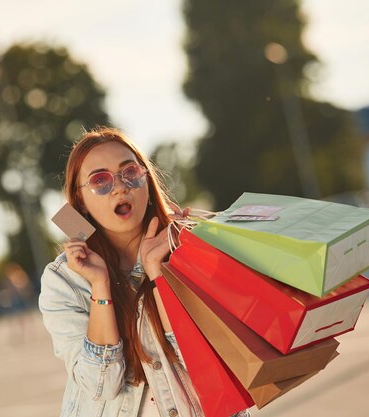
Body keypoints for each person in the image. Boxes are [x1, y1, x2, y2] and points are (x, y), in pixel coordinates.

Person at [39, 127, 250, 417]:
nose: (120, 187)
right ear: (81, 202)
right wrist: (100, 286)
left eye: (131, 172)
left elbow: (215, 367)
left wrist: (160, 274)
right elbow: (100, 385)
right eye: (100, 181)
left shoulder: (187, 248)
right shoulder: (64, 279)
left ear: (147, 182)